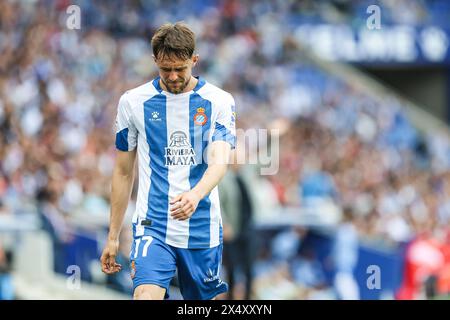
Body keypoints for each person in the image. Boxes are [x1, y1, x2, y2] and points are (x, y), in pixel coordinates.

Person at [100, 22, 236, 300]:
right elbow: (124, 171)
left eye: (180, 69)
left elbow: (220, 161)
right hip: (153, 226)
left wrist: (196, 194)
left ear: (194, 61)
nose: (173, 76)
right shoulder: (132, 102)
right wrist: (113, 235)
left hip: (201, 229)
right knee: (144, 296)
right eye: (165, 69)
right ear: (155, 62)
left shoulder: (219, 101)